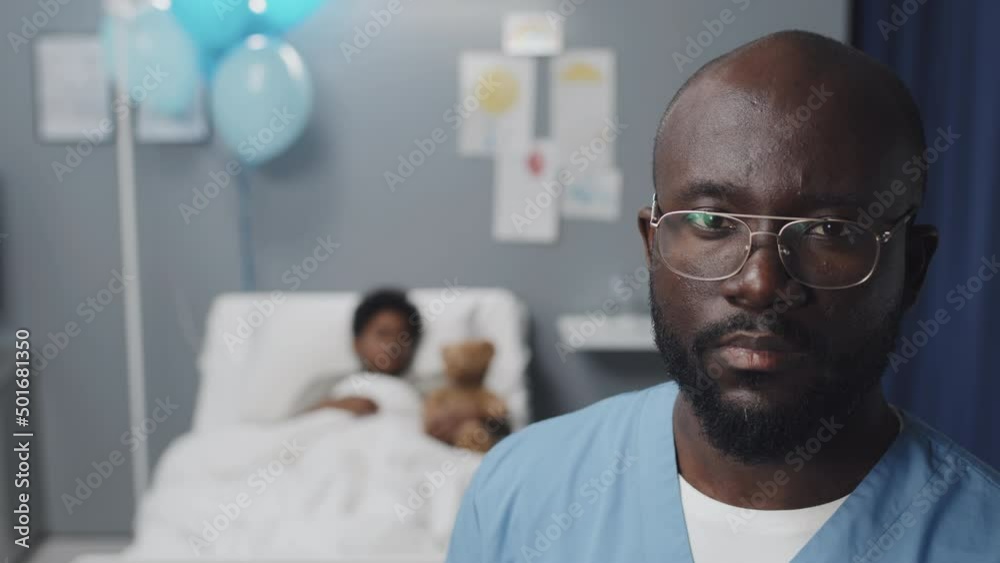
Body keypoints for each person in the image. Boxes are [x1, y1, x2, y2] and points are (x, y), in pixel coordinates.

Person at [446, 30, 1000, 563]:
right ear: (652, 244)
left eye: (830, 230)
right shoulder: (517, 492)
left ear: (913, 268)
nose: (761, 285)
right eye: (712, 221)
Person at [310, 288, 422, 416]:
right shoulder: (326, 385)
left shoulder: (427, 390)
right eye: (383, 334)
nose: (394, 345)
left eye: (403, 337)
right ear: (357, 343)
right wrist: (334, 406)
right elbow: (290, 427)